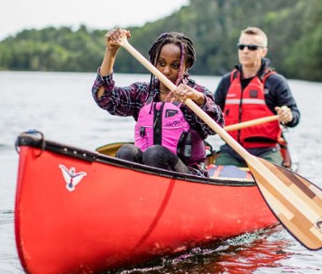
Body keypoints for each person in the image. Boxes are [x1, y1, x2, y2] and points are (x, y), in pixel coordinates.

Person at [92, 28, 224, 176]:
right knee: (126, 151)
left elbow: (217, 125)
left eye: (175, 66)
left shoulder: (195, 93)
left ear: (186, 66)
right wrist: (111, 52)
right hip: (149, 171)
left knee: (155, 154)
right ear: (154, 62)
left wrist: (199, 99)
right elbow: (105, 98)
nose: (166, 71)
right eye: (161, 63)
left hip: (189, 174)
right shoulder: (143, 92)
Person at [214, 27, 300, 167]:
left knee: (270, 175)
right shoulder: (226, 82)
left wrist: (288, 115)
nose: (245, 51)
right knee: (216, 175)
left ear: (263, 52)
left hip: (265, 152)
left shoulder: (276, 82)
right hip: (231, 151)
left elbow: (295, 116)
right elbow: (211, 113)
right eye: (241, 47)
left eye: (252, 47)